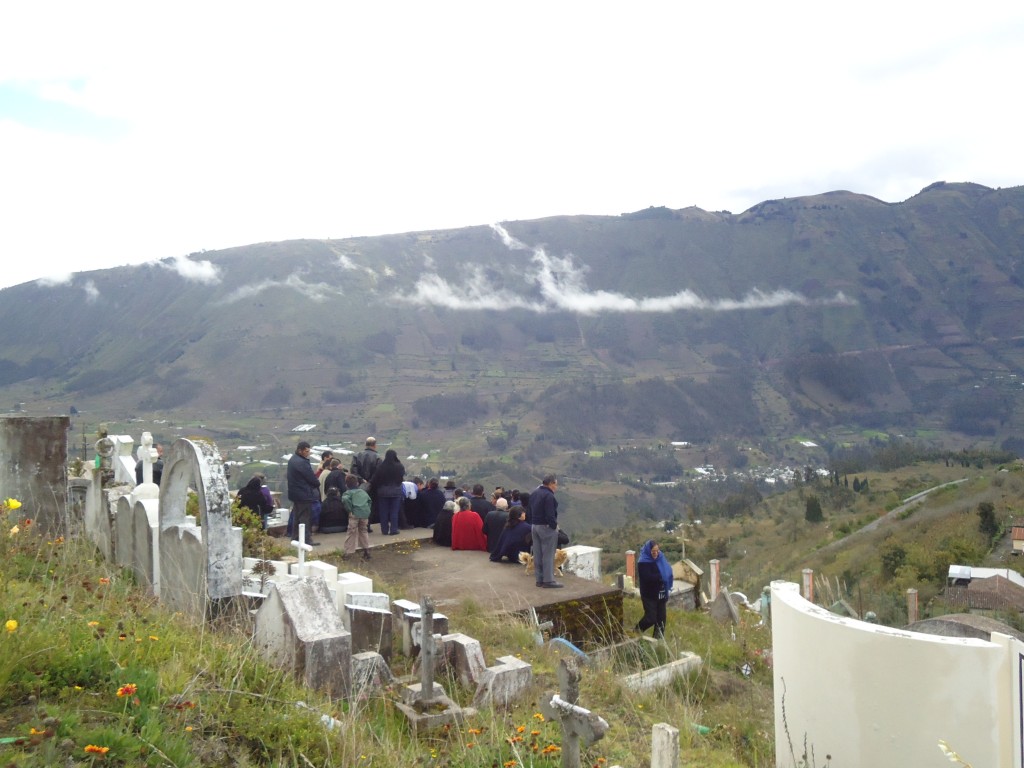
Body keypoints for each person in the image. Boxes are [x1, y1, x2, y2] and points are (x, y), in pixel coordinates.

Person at [286, 441, 321, 546]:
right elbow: (311, 478)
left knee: (297, 516)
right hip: (304, 493)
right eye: (306, 451)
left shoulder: (293, 460)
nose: (308, 453)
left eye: (309, 451)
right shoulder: (302, 462)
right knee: (305, 518)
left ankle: (295, 537)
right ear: (300, 450)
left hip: (295, 494)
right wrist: (316, 483)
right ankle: (306, 539)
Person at [636, 539, 673, 638]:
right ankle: (636, 632)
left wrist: (665, 576)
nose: (656, 553)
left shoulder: (661, 557)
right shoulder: (643, 562)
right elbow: (647, 578)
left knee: (661, 621)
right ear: (649, 551)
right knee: (651, 618)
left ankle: (657, 643)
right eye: (653, 552)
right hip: (649, 595)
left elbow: (667, 569)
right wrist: (661, 576)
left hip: (661, 594)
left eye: (657, 551)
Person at [531, 474, 561, 588]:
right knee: (548, 554)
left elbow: (529, 509)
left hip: (534, 525)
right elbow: (550, 515)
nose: (556, 487)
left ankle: (539, 579)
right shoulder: (549, 496)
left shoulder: (535, 493)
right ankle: (548, 580)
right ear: (551, 484)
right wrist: (554, 526)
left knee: (537, 553)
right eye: (555, 484)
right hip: (546, 526)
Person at [369, 449, 405, 535]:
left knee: (383, 512)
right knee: (394, 511)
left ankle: (384, 530)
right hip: (396, 492)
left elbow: (375, 479)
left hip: (383, 492)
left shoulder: (381, 466)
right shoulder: (399, 466)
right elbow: (401, 478)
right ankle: (393, 529)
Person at [342, 474, 372, 560]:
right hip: (364, 514)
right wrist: (367, 510)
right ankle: (366, 550)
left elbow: (345, 500)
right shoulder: (363, 492)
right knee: (363, 531)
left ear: (346, 485)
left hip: (354, 514)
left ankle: (348, 552)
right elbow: (369, 501)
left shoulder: (347, 493)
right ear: (357, 483)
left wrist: (349, 509)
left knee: (351, 532)